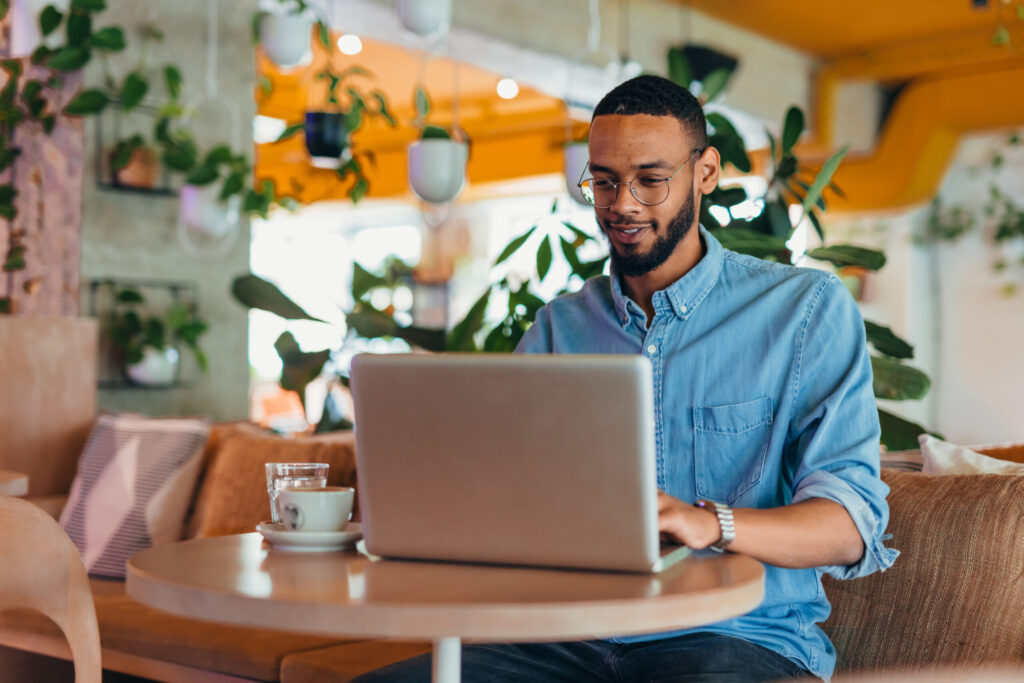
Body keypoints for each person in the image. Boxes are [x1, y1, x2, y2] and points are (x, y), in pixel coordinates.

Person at [355, 74, 898, 682]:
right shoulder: (561, 327)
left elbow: (851, 525)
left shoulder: (804, 310)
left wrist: (709, 523)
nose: (622, 205)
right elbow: (511, 495)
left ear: (706, 173)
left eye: (650, 180)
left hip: (736, 639)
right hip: (566, 638)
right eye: (605, 181)